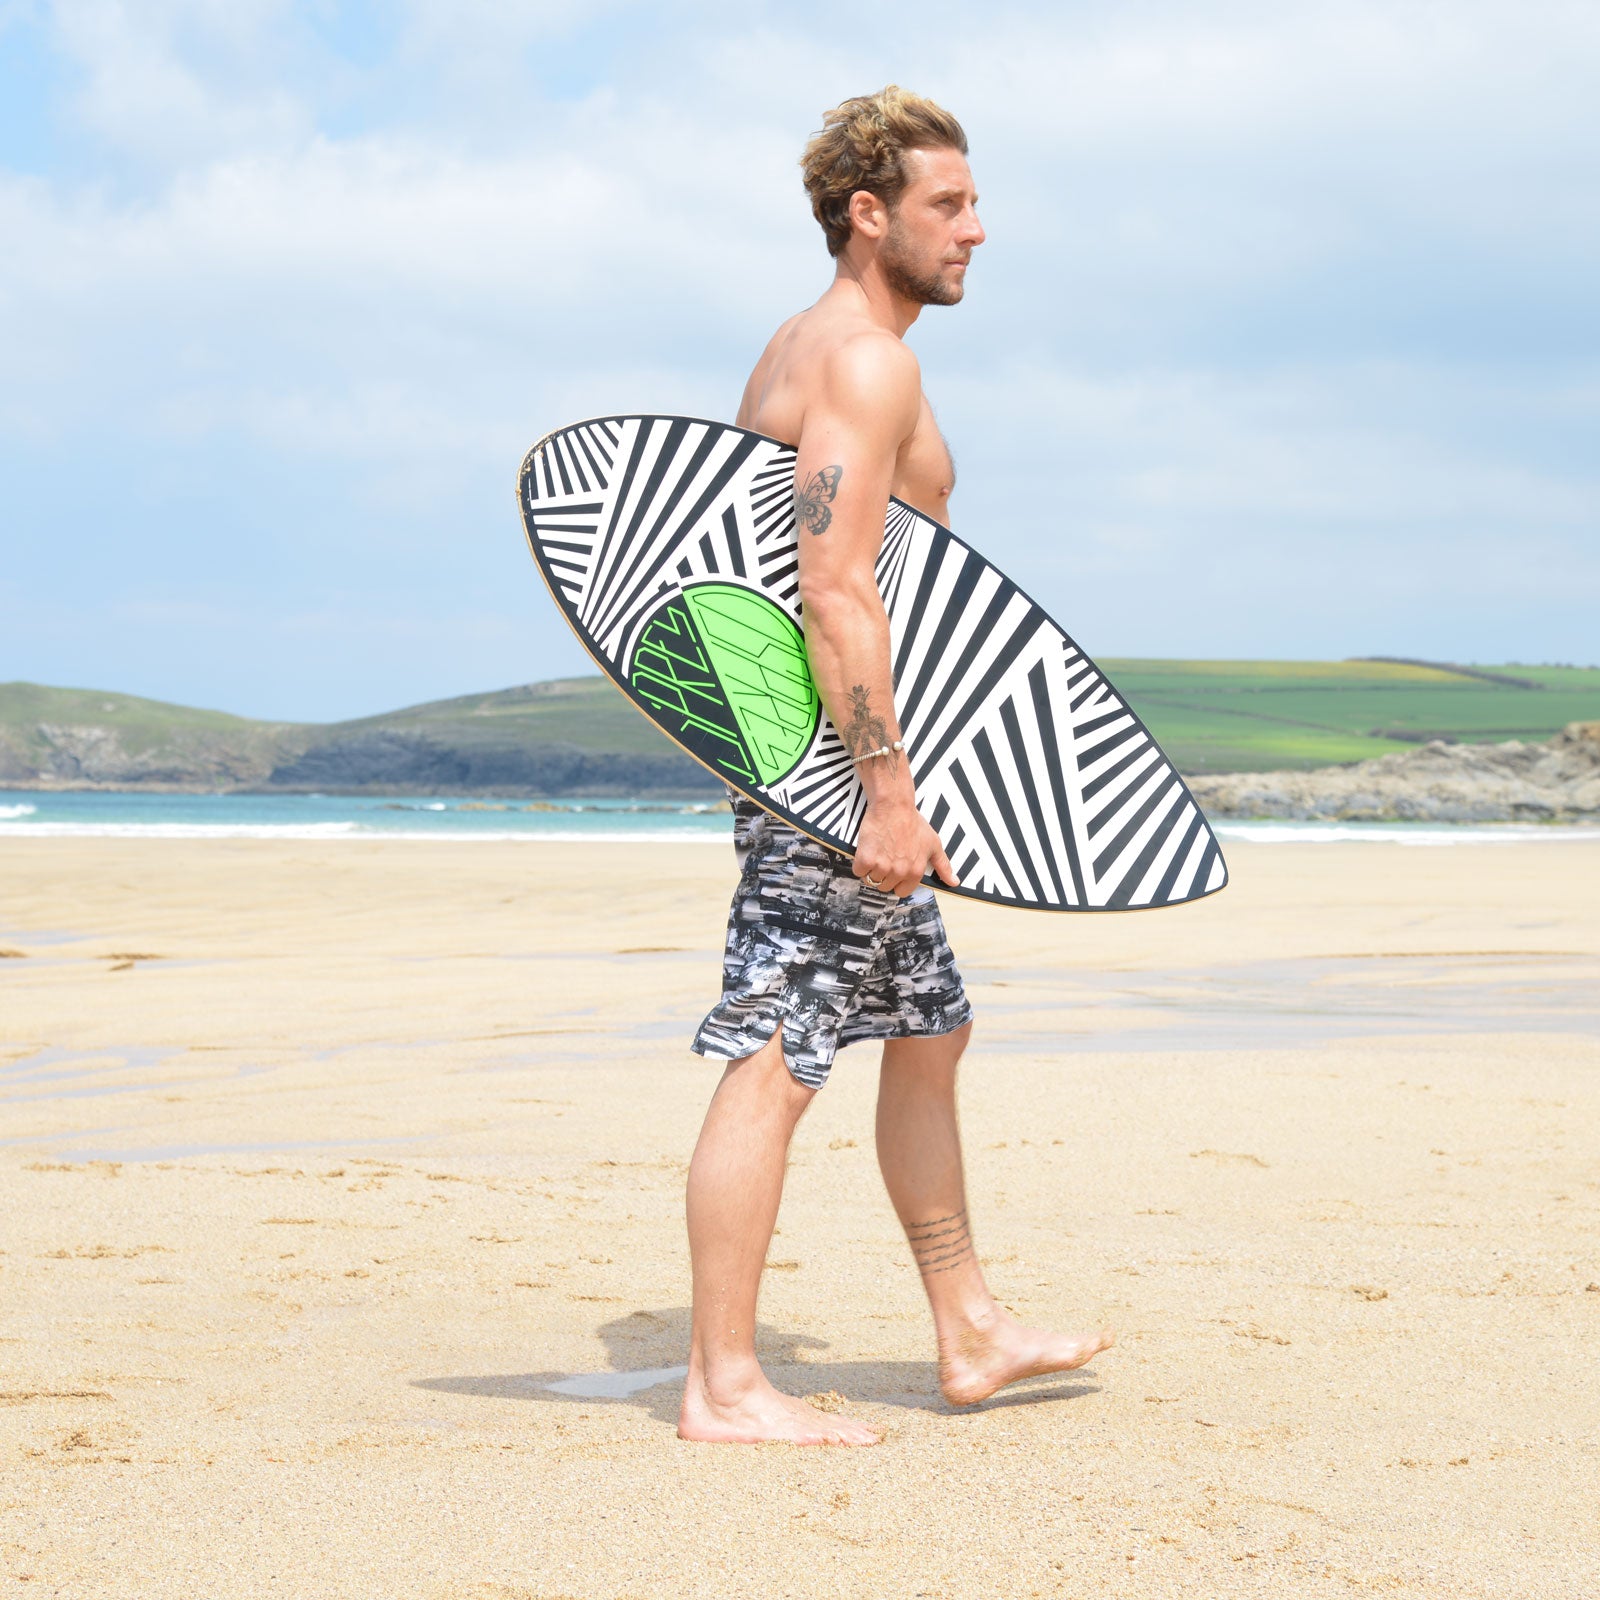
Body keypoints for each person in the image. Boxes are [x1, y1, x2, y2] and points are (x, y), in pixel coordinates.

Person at [680, 87, 1113, 1447]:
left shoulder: (818, 348)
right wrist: (882, 792)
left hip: (842, 754)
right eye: (950, 205)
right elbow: (830, 588)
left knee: (931, 1032)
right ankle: (723, 1386)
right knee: (777, 1052)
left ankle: (970, 1329)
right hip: (828, 768)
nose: (978, 229)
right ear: (870, 215)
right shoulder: (862, 362)